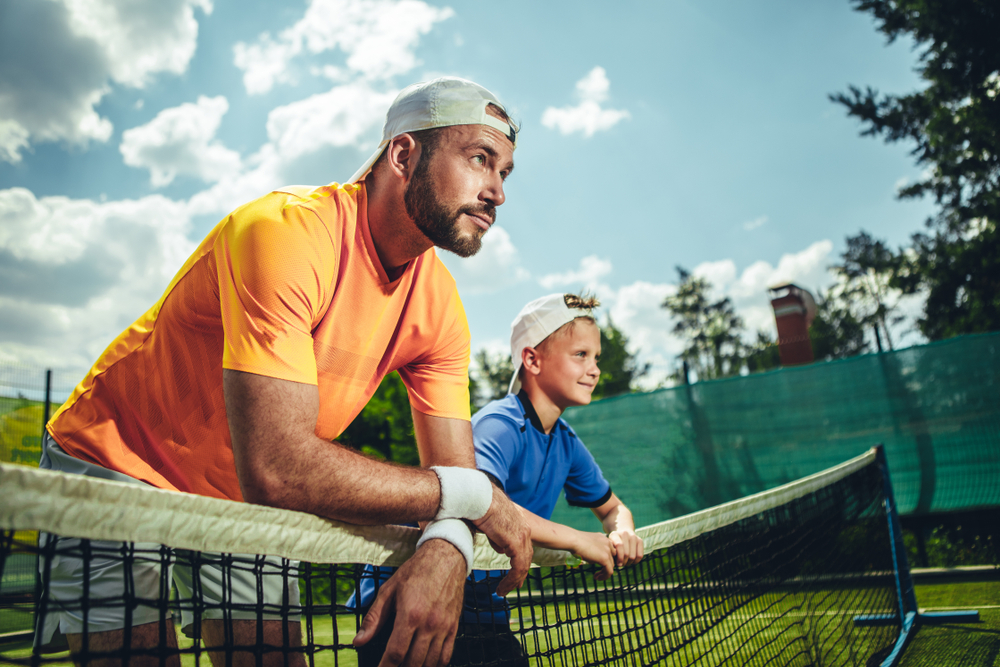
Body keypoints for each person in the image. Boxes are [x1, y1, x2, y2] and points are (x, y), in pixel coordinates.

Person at [36, 77, 533, 667]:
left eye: (504, 172)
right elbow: (278, 469)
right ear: (403, 154)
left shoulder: (441, 307)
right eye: (480, 159)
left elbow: (453, 476)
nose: (497, 191)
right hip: (114, 460)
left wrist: (448, 543)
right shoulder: (284, 231)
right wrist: (472, 499)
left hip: (241, 498)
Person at [354, 293, 644, 666]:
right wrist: (577, 539)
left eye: (596, 358)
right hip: (409, 592)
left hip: (480, 606)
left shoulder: (567, 442)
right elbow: (480, 501)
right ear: (532, 359)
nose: (594, 369)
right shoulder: (501, 423)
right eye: (580, 355)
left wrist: (623, 531)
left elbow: (613, 507)